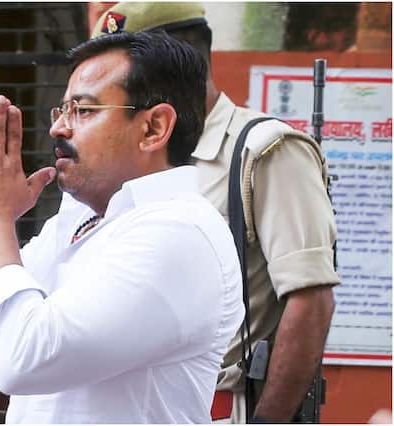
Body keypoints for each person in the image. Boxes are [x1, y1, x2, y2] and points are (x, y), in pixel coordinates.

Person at [0, 31, 245, 423]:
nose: (59, 128)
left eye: (84, 110)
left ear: (153, 128)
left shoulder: (179, 233)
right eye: (61, 111)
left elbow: (21, 358)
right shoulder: (81, 220)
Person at [91, 3, 340, 423]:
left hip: (219, 409)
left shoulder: (263, 150)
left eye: (121, 70)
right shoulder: (136, 157)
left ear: (176, 63)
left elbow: (310, 300)